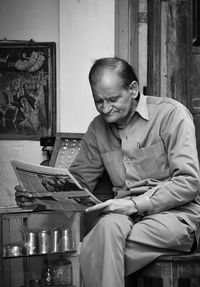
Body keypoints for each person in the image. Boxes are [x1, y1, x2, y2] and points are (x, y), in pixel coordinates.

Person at [15, 57, 200, 287]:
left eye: (112, 99)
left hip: (173, 217)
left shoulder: (171, 115)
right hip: (121, 219)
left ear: (132, 90)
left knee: (93, 248)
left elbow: (189, 182)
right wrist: (37, 196)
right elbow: (78, 184)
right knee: (106, 228)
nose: (105, 108)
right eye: (98, 101)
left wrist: (134, 204)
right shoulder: (97, 128)